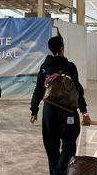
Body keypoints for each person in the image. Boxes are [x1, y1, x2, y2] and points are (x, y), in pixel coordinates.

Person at [30, 36, 91, 175]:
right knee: (69, 144)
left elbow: (39, 89)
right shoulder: (70, 67)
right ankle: (60, 172)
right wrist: (84, 111)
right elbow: (77, 91)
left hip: (49, 111)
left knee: (51, 146)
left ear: (51, 49)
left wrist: (34, 110)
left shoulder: (45, 67)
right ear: (62, 48)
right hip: (67, 111)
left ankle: (55, 172)